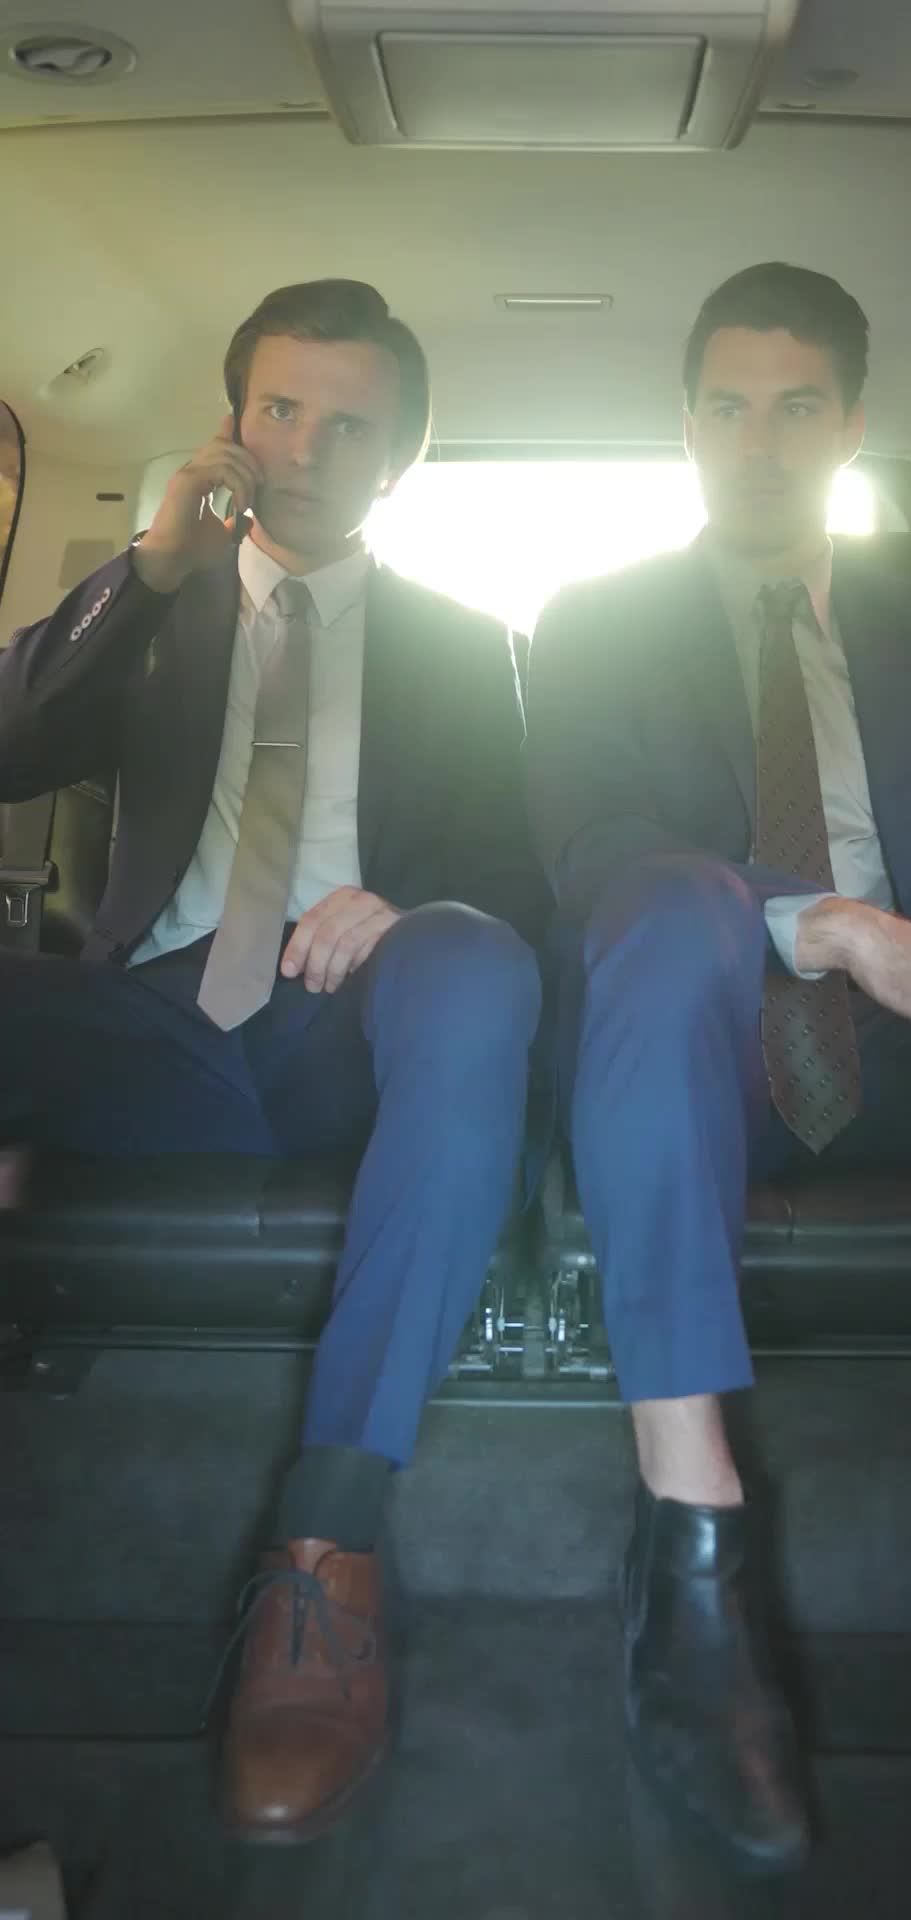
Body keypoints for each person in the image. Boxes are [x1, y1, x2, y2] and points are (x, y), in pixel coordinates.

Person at [526, 261, 911, 1874]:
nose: (756, 445)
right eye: (726, 408)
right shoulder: (596, 618)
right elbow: (590, 848)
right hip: (694, 1068)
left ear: (848, 427)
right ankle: (691, 1551)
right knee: (658, 902)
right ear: (688, 423)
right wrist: (841, 924)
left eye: (795, 410)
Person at [0, 278, 548, 1844]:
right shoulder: (148, 608)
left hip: (344, 1030)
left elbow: (519, 883)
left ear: (404, 457)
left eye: (351, 425)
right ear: (233, 425)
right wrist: (149, 566)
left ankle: (327, 1552)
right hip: (148, 1027)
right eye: (281, 410)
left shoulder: (466, 645)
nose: (308, 448)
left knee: (474, 954)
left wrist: (416, 909)